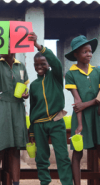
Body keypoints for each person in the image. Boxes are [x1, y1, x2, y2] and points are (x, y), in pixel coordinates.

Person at [0, 37, 29, 185]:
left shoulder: (21, 66)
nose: (1, 49)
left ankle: (15, 183)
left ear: (13, 49)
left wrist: (25, 94)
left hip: (18, 107)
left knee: (15, 150)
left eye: (5, 46)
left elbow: (25, 87)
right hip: (3, 106)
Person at [29, 33, 73, 185]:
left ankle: (67, 182)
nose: (39, 67)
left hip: (56, 121)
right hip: (39, 124)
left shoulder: (55, 77)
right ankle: (45, 182)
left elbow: (56, 62)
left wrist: (38, 46)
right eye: (36, 64)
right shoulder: (33, 85)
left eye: (43, 63)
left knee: (62, 155)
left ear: (48, 65)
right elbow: (32, 108)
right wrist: (31, 130)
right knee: (41, 157)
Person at [64, 35, 100, 185]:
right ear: (76, 54)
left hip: (98, 117)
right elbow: (77, 101)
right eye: (84, 52)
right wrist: (79, 125)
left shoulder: (98, 72)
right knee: (77, 153)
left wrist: (88, 104)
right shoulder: (71, 74)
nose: (89, 54)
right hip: (80, 117)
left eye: (90, 51)